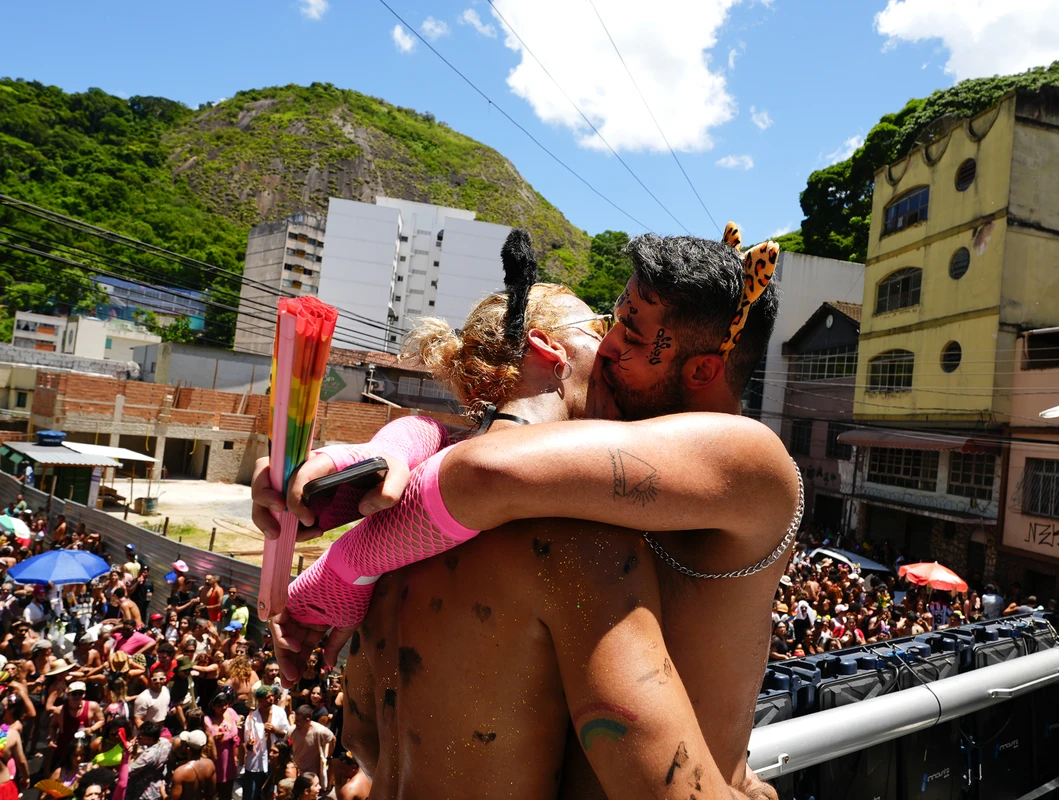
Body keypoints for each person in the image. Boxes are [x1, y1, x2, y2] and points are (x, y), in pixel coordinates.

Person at [261, 229, 794, 796]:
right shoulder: (570, 531)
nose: (610, 344)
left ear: (704, 371)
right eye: (605, 323)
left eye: (626, 332)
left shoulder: (747, 454)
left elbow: (486, 467)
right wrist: (390, 451)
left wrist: (347, 565)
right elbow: (486, 456)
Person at [244, 685, 290, 800]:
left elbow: (286, 734)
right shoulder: (251, 717)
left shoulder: (280, 713)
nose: (271, 699)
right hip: (256, 764)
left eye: (272, 696)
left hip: (274, 763)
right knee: (251, 796)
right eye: (267, 697)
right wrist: (250, 744)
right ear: (260, 700)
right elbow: (247, 744)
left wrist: (275, 730)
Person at [204, 691, 241, 800]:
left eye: (225, 704)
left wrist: (236, 756)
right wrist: (214, 740)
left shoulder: (230, 712)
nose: (224, 707)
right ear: (213, 706)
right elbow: (205, 742)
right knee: (212, 792)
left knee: (227, 792)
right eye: (220, 706)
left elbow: (238, 727)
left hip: (230, 759)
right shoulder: (207, 720)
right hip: (215, 759)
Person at [289, 706, 333, 791]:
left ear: (308, 720)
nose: (295, 723)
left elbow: (332, 739)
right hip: (297, 771)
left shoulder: (319, 731)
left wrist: (328, 756)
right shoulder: (292, 731)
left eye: (298, 721)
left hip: (313, 774)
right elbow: (288, 745)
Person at [126, 720, 171, 800]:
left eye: (140, 737)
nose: (137, 738)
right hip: (157, 787)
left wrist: (129, 755)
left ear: (150, 739)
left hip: (143, 793)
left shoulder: (147, 756)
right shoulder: (166, 742)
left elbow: (129, 770)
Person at [169, 730, 216, 799]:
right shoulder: (210, 765)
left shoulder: (180, 773)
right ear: (203, 747)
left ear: (188, 749)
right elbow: (211, 792)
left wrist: (163, 791)